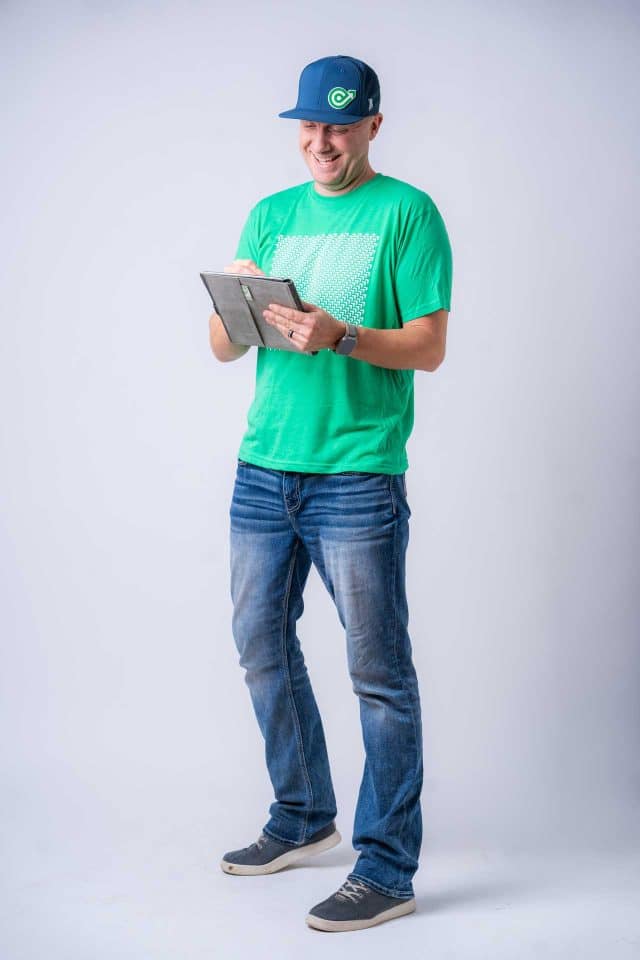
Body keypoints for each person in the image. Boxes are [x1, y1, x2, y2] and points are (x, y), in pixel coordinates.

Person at [209, 54, 452, 933]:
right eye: (309, 126)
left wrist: (341, 336)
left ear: (374, 127)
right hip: (264, 467)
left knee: (378, 673)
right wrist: (236, 299)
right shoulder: (270, 214)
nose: (321, 141)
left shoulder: (408, 214)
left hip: (357, 473)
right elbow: (222, 350)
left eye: (340, 126)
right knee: (259, 644)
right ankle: (305, 813)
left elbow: (428, 346)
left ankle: (387, 868)